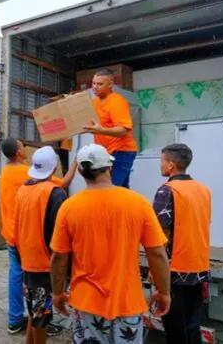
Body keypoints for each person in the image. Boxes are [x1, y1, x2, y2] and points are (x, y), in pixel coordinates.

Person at [49, 144, 171, 344]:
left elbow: (59, 257)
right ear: (110, 168)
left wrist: (58, 293)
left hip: (86, 303)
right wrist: (164, 292)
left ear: (80, 171)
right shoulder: (138, 203)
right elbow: (157, 253)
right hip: (127, 302)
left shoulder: (69, 207)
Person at [0, 138, 77, 336]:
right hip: (25, 237)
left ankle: (16, 319)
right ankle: (39, 320)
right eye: (22, 146)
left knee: (18, 277)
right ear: (18, 152)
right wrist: (76, 160)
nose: (25, 147)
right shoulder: (24, 174)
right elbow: (64, 182)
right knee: (37, 282)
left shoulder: (7, 171)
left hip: (12, 232)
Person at [152, 143, 211, 344]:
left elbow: (160, 235)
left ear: (171, 165)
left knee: (175, 328)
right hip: (199, 266)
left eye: (162, 161)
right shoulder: (203, 190)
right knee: (192, 325)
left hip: (174, 270)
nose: (160, 166)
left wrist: (155, 271)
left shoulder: (166, 191)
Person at [12, 145, 69, 344]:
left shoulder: (23, 190)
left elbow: (16, 226)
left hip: (27, 259)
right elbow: (58, 236)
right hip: (45, 264)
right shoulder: (55, 193)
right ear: (53, 169)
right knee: (41, 316)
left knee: (35, 312)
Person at [82, 69, 138, 188]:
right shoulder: (95, 102)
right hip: (106, 152)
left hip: (122, 151)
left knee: (109, 188)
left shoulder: (117, 102)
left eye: (100, 84)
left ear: (111, 85)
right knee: (119, 189)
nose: (95, 87)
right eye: (93, 83)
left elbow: (124, 130)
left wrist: (101, 130)